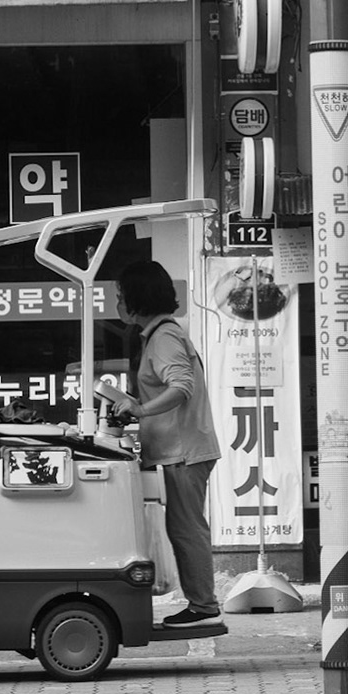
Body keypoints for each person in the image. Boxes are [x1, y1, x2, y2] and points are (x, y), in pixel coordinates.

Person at [93, 261, 222, 630]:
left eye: (120, 296)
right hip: (179, 448)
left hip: (185, 449)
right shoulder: (159, 334)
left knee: (186, 528)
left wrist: (139, 407)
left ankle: (203, 606)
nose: (117, 303)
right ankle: (201, 603)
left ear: (137, 297)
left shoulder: (164, 337)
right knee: (183, 526)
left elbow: (181, 387)